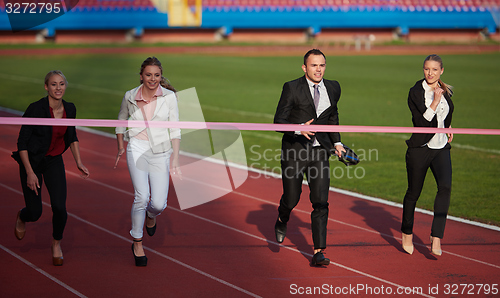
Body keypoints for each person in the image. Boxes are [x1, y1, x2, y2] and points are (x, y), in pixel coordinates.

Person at [273, 49, 345, 266]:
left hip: (320, 152)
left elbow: (332, 117)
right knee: (292, 198)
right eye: (314, 65)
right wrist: (298, 129)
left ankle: (318, 251)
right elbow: (278, 121)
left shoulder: (333, 87)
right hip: (295, 151)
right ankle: (282, 217)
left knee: (320, 201)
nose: (318, 69)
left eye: (322, 65)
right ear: (304, 67)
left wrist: (338, 143)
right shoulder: (291, 87)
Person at [12, 70, 90, 266]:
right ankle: (22, 216)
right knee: (35, 212)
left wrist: (79, 162)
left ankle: (56, 244)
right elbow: (21, 143)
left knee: (59, 208)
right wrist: (30, 172)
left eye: (61, 84)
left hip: (54, 161)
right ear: (46, 87)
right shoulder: (35, 109)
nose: (58, 88)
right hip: (32, 161)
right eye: (54, 84)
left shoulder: (70, 109)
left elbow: (71, 136)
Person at [114, 56, 181, 267]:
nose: (153, 79)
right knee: (141, 196)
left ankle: (151, 215)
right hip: (137, 147)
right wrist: (120, 145)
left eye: (157, 75)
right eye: (149, 75)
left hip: (161, 151)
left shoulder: (169, 97)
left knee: (159, 203)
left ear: (161, 76)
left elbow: (176, 128)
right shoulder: (130, 96)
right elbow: (120, 120)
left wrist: (176, 158)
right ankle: (137, 241)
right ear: (141, 76)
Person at [401, 54, 454, 256]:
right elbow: (423, 123)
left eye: (434, 69)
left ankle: (436, 236)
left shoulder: (445, 90)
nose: (430, 73)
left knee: (445, 188)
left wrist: (448, 126)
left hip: (441, 148)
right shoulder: (415, 92)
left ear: (441, 71)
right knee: (414, 193)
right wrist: (435, 100)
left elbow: (447, 112)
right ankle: (407, 232)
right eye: (426, 69)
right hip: (420, 148)